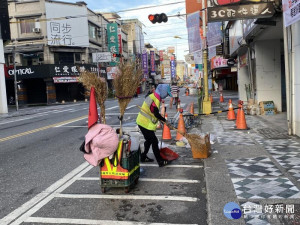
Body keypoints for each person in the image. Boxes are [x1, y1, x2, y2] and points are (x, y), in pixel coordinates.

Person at [136, 84, 173, 167]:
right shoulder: (154, 99)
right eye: (166, 93)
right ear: (162, 91)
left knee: (149, 141)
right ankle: (160, 161)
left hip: (144, 123)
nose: (166, 95)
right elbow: (156, 114)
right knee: (154, 141)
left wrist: (163, 120)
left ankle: (143, 157)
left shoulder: (155, 97)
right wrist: (165, 121)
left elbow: (154, 113)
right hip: (144, 123)